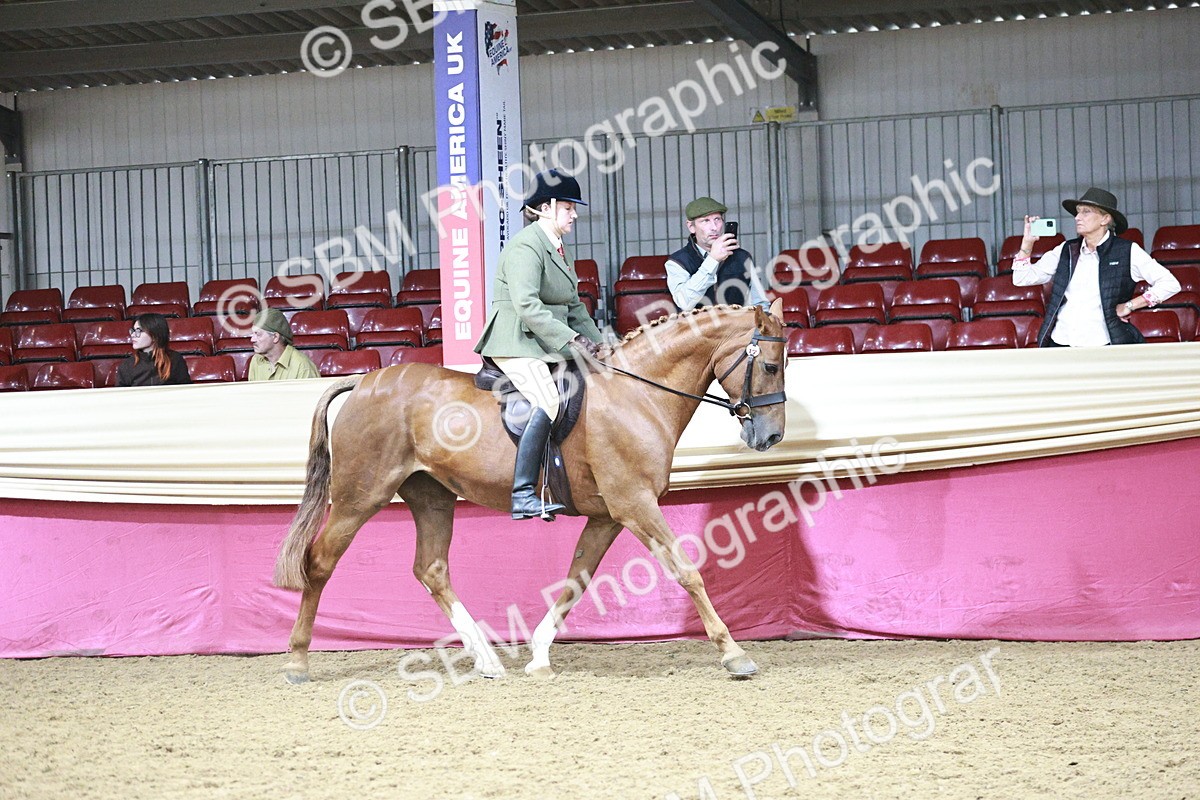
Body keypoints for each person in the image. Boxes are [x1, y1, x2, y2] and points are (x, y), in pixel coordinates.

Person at [474, 169, 605, 521]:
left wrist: (600, 345)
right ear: (545, 208)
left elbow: (575, 307)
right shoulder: (525, 246)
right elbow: (528, 306)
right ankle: (522, 494)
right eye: (567, 207)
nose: (574, 214)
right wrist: (572, 339)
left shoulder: (558, 248)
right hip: (516, 340)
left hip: (545, 341)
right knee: (546, 399)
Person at [1013, 187, 1180, 347]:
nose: (1078, 217)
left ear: (1105, 219)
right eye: (1078, 212)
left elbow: (1170, 284)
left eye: (1086, 211)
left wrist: (1129, 306)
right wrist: (1027, 243)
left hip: (1103, 342)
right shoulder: (1066, 249)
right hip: (1061, 341)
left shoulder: (1127, 251)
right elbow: (1021, 279)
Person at [665, 196, 770, 311]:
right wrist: (712, 260)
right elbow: (685, 303)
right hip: (697, 327)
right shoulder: (677, 262)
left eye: (717, 219)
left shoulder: (742, 257)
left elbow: (760, 303)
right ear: (691, 227)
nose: (714, 227)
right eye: (706, 221)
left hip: (735, 327)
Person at [116, 312, 192, 386]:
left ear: (155, 335)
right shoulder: (127, 365)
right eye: (133, 331)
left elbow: (186, 391)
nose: (133, 335)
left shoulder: (175, 359)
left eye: (139, 331)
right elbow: (120, 395)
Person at [247, 308, 320, 380]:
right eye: (253, 334)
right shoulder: (256, 360)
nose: (252, 339)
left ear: (275, 337)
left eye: (258, 334)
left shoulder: (303, 366)